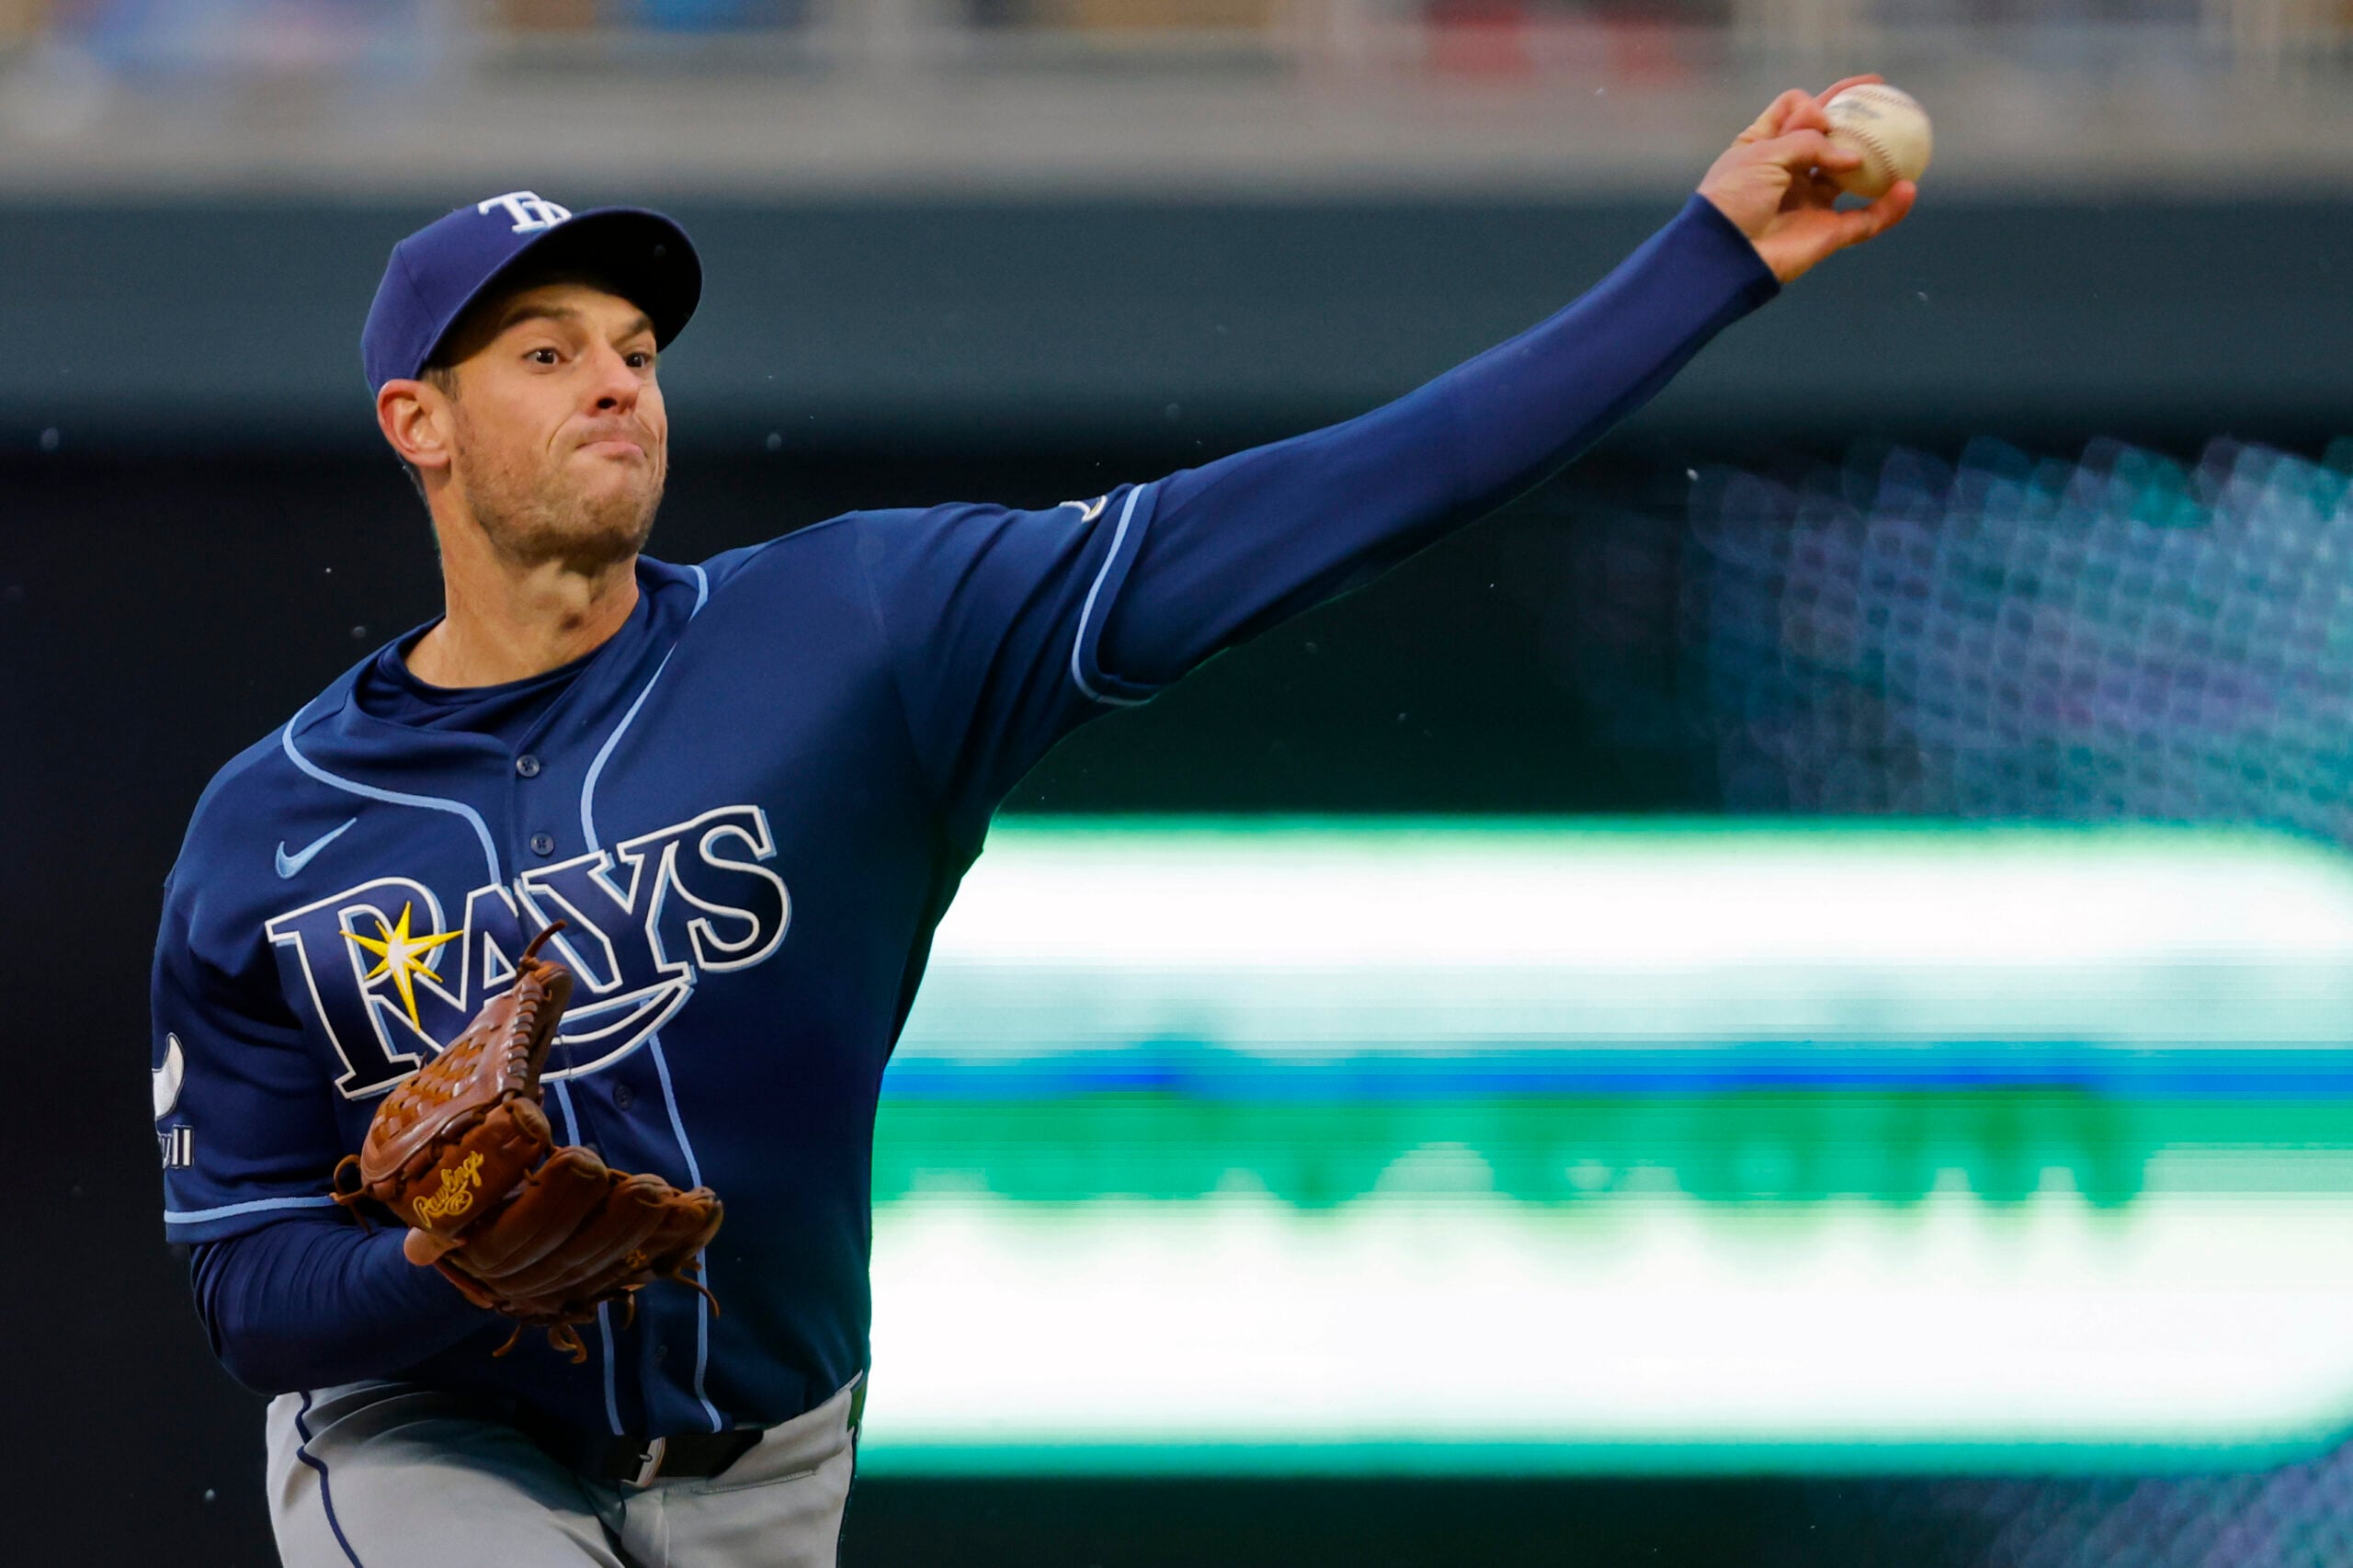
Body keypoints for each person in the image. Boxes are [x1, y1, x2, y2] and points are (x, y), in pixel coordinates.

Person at [151, 81, 1912, 1568]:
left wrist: (1711, 260)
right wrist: (439, 1273)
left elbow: (1353, 490)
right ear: (421, 426)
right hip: (428, 1435)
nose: (620, 380)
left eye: (633, 347)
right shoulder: (277, 829)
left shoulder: (863, 634)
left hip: (768, 1457)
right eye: (546, 353)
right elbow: (248, 1290)